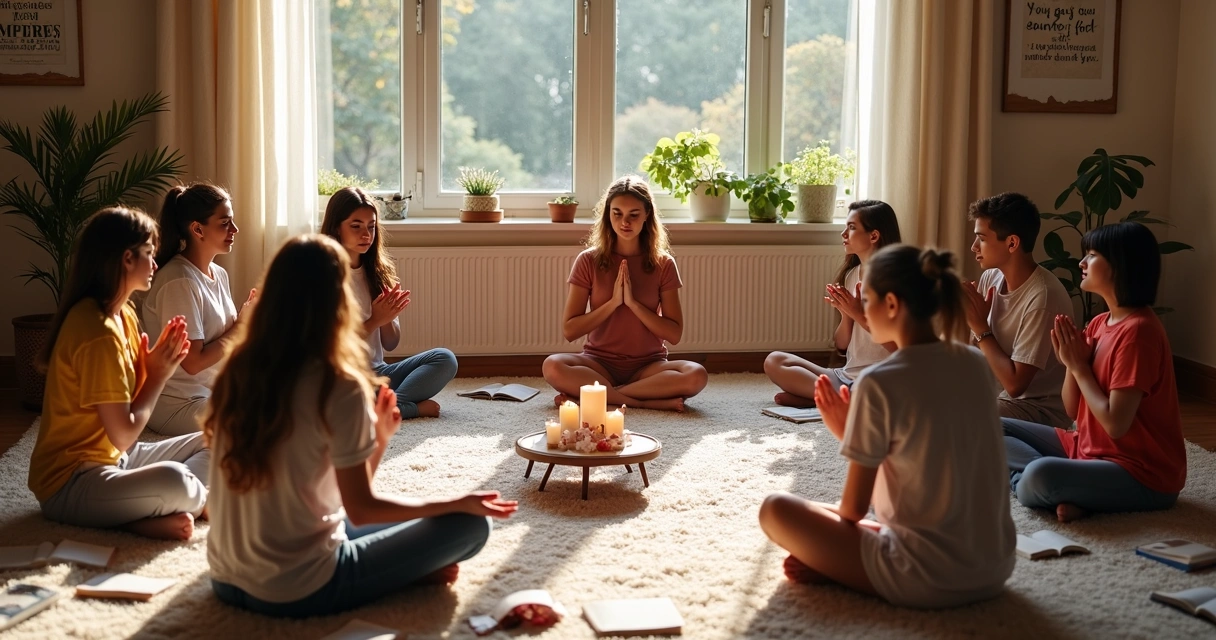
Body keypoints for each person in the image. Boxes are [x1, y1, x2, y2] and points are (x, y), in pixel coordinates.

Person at [205, 234, 517, 618]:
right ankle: (402, 573)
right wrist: (457, 502)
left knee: (380, 521)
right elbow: (362, 507)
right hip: (299, 588)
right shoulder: (339, 385)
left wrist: (379, 440)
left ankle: (403, 568)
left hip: (225, 578)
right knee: (471, 525)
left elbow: (335, 498)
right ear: (338, 301)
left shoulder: (237, 369)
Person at [758, 244, 1015, 609]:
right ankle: (839, 560)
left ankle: (840, 566)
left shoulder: (878, 382)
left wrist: (845, 433)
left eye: (867, 299)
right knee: (821, 513)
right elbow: (928, 461)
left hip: (927, 577)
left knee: (776, 508)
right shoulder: (975, 363)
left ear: (892, 305)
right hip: (996, 566)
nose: (861, 309)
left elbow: (853, 511)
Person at [28, 207, 209, 541]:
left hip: (117, 459)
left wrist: (153, 369)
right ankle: (163, 507)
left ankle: (149, 509)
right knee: (176, 481)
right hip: (72, 482)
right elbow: (123, 433)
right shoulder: (96, 330)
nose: (156, 264)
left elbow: (123, 431)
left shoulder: (123, 313)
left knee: (221, 436)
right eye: (150, 255)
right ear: (127, 259)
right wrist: (157, 376)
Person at [1002, 222, 1185, 523]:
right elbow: (1073, 410)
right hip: (1086, 450)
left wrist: (1078, 367)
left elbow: (1115, 424)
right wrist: (1071, 365)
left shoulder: (1139, 333)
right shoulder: (1100, 323)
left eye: (1092, 254)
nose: (1082, 262)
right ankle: (1076, 491)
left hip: (1141, 473)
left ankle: (1058, 487)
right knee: (987, 428)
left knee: (1039, 474)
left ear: (1120, 265)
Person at [542, 175, 707, 412]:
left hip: (648, 367)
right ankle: (642, 400)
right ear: (608, 214)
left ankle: (598, 396)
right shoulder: (588, 260)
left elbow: (674, 333)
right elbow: (570, 330)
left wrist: (632, 303)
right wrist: (613, 303)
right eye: (617, 213)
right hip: (598, 364)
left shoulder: (664, 264)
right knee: (553, 366)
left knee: (696, 375)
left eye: (633, 214)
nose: (624, 222)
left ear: (647, 214)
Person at [322, 186, 457, 419]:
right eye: (356, 226)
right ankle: (397, 408)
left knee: (445, 358)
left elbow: (391, 343)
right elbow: (328, 348)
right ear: (336, 227)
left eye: (371, 227)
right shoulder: (322, 276)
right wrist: (375, 320)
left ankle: (388, 408)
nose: (366, 234)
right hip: (338, 377)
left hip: (377, 372)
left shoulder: (377, 272)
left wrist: (386, 319)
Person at [143, 182, 256, 436]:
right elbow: (194, 363)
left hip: (213, 392)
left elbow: (224, 345)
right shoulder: (179, 281)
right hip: (178, 403)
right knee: (259, 424)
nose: (235, 230)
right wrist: (241, 326)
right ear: (197, 229)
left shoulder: (219, 274)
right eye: (225, 223)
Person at [764, 200, 900, 408]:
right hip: (847, 375)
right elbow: (842, 345)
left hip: (879, 380)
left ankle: (825, 400)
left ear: (873, 236)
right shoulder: (852, 275)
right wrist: (846, 314)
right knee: (774, 361)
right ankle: (834, 400)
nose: (843, 234)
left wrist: (858, 314)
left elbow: (901, 349)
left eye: (852, 228)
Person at [965, 193, 1074, 429]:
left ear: (1012, 243)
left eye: (981, 239)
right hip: (997, 398)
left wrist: (980, 327)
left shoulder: (1043, 296)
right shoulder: (991, 277)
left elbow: (1015, 386)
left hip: (1038, 409)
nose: (974, 247)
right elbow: (976, 356)